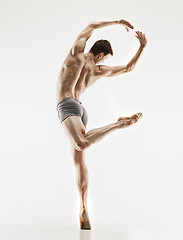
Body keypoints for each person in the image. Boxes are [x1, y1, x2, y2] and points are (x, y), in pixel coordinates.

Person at [56, 19, 147, 230]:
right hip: (80, 109)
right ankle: (83, 207)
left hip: (67, 105)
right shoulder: (97, 70)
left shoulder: (76, 54)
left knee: (83, 143)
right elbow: (128, 68)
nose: (101, 62)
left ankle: (118, 124)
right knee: (79, 159)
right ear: (100, 55)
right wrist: (141, 47)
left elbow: (90, 27)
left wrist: (116, 22)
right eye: (103, 58)